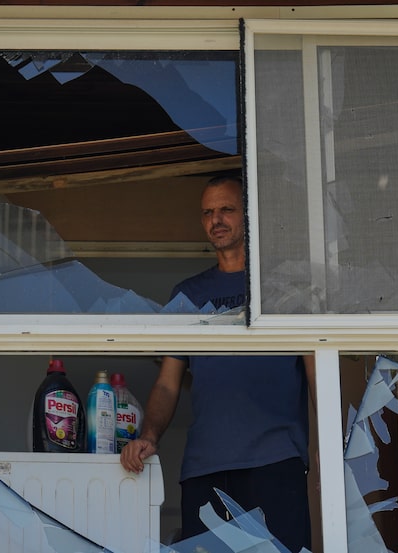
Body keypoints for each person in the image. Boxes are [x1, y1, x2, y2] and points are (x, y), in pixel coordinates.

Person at [120, 175, 315, 553]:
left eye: (226, 209)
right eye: (208, 212)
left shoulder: (286, 289)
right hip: (205, 467)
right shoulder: (188, 294)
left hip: (276, 461)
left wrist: (328, 446)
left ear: (248, 215)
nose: (216, 220)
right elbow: (167, 383)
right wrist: (149, 436)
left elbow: (315, 370)